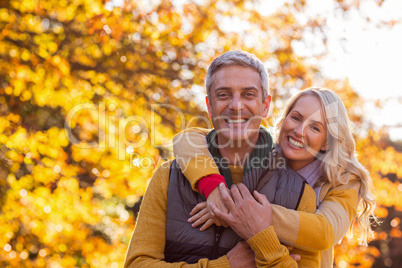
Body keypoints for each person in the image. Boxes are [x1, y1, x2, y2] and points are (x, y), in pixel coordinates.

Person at [124, 50, 319, 267]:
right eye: (224, 95)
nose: (236, 106)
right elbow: (136, 264)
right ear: (209, 106)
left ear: (265, 106)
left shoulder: (300, 194)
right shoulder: (169, 177)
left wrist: (265, 244)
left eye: (248, 94)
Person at [173, 87, 377, 267]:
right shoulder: (263, 152)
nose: (299, 131)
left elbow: (325, 232)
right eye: (296, 117)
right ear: (285, 118)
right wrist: (215, 191)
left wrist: (247, 211)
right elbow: (187, 138)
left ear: (327, 142)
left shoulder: (344, 179)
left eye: (315, 127)